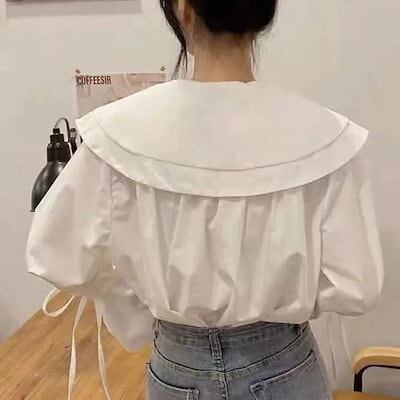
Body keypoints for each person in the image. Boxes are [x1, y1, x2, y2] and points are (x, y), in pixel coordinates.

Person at [26, 0, 384, 399]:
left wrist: (136, 300)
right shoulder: (326, 135)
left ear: (183, 8)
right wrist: (285, 294)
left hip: (177, 366)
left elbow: (55, 255)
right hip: (284, 362)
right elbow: (357, 285)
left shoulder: (117, 133)